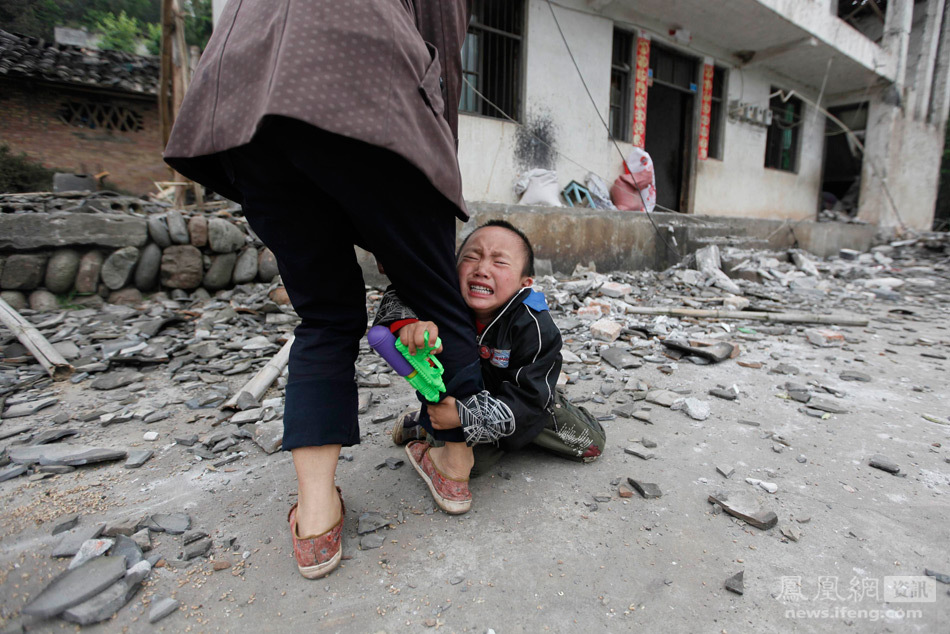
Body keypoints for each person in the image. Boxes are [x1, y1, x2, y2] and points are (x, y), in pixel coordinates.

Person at [162, 0, 489, 580]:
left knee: (325, 317)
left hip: (252, 103)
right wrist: (437, 175)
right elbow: (441, 58)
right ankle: (454, 459)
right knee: (438, 298)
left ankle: (317, 518)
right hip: (370, 90)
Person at [373, 220, 606, 479]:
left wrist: (465, 417)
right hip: (463, 394)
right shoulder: (446, 298)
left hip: (523, 400)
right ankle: (428, 421)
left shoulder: (534, 325)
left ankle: (434, 422)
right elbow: (401, 292)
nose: (482, 269)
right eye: (471, 257)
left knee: (591, 444)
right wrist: (408, 325)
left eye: (500, 262)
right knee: (472, 466)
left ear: (525, 282)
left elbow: (529, 399)